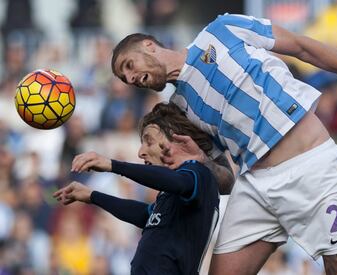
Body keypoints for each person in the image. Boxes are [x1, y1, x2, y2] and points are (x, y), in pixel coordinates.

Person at [110, 13, 337, 275]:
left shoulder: (222, 30)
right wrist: (201, 161)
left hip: (313, 165)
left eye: (129, 65)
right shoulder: (181, 108)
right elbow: (225, 181)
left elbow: (302, 47)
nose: (131, 77)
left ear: (149, 45)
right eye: (125, 78)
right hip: (256, 184)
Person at [54, 102, 221, 275]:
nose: (141, 152)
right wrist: (92, 196)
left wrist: (112, 165)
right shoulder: (173, 193)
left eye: (149, 142)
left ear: (175, 139)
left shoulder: (199, 174)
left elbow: (178, 182)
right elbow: (145, 215)